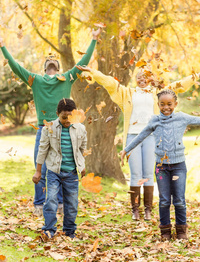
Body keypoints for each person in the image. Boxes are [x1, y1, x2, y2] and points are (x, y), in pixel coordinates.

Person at [75, 65, 199, 221]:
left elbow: (178, 86)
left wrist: (196, 76)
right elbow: (109, 82)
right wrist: (94, 72)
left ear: (151, 78)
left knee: (148, 174)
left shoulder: (157, 93)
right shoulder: (126, 93)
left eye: (145, 76)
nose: (142, 78)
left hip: (152, 137)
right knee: (135, 174)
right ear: (135, 78)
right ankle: (135, 209)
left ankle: (147, 209)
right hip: (132, 137)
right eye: (139, 76)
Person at [0, 28, 101, 216]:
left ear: (58, 68)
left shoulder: (67, 78)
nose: (52, 61)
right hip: (44, 129)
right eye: (49, 61)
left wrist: (94, 39)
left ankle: (61, 204)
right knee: (42, 168)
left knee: (62, 167)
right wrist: (3, 46)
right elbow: (15, 67)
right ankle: (39, 204)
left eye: (54, 61)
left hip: (64, 128)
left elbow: (83, 62)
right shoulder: (36, 80)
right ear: (45, 68)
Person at [120, 89, 200, 240]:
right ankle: (165, 232)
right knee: (164, 200)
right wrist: (126, 150)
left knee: (179, 200)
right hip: (161, 167)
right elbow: (140, 136)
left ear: (175, 104)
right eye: (162, 104)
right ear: (158, 105)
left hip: (178, 166)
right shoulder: (154, 121)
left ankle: (181, 231)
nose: (166, 107)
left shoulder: (181, 117)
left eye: (169, 104)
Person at [32, 98, 86, 239]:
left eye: (70, 117)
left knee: (72, 204)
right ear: (57, 113)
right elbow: (42, 149)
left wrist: (83, 166)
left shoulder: (81, 128)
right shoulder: (48, 128)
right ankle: (49, 230)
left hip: (72, 173)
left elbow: (82, 149)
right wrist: (38, 171)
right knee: (50, 200)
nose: (67, 121)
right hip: (54, 172)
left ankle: (69, 231)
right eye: (63, 117)